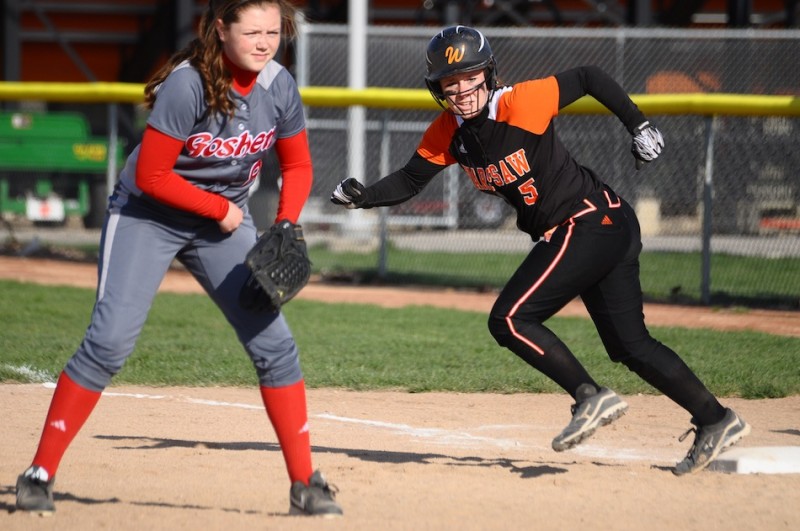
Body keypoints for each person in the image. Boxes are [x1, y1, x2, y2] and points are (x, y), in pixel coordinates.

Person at [330, 25, 750, 475]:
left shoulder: (519, 102)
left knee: (510, 319)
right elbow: (411, 180)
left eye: (469, 75)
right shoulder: (448, 132)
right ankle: (717, 419)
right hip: (598, 223)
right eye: (450, 82)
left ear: (488, 74)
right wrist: (365, 196)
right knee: (631, 346)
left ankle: (590, 396)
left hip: (589, 220)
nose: (462, 89)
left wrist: (638, 122)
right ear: (438, 89)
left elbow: (589, 76)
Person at [15, 0, 342, 518]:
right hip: (148, 215)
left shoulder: (278, 84)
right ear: (220, 29)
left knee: (276, 348)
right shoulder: (188, 84)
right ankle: (39, 473)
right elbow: (153, 176)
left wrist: (284, 221)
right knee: (109, 342)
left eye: (273, 32)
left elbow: (298, 163)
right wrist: (219, 208)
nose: (264, 42)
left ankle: (306, 483)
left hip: (224, 223)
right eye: (251, 31)